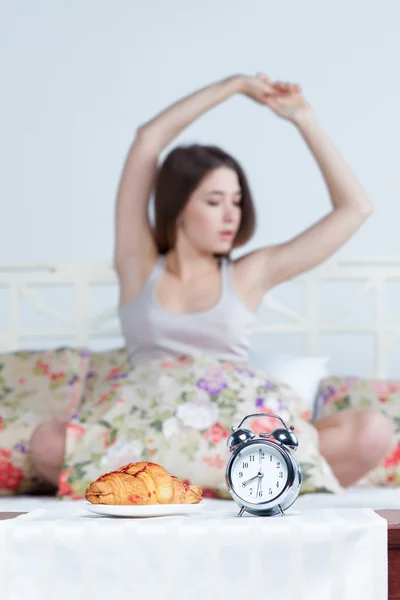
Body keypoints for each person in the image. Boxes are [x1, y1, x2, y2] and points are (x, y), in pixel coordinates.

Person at [30, 72, 392, 490]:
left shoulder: (249, 273)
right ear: (179, 207)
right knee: (46, 443)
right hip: (145, 434)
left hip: (237, 434)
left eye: (236, 201)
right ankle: (219, 484)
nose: (230, 215)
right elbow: (148, 139)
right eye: (214, 201)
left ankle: (209, 481)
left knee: (370, 430)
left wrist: (304, 120)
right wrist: (234, 86)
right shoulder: (138, 264)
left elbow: (355, 209)